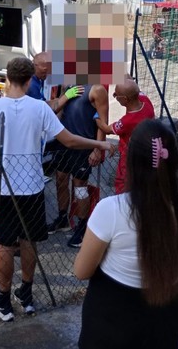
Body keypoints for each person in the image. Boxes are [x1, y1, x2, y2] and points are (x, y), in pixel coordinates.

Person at [0, 57, 115, 322]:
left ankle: (2, 299)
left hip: (4, 187)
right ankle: (25, 293)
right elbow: (69, 141)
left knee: (4, 244)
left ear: (6, 81)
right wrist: (102, 145)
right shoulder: (39, 109)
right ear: (28, 81)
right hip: (33, 186)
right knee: (29, 241)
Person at [73, 119, 178, 349]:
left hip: (113, 317)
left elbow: (81, 271)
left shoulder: (111, 210)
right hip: (164, 312)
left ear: (131, 162)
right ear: (173, 160)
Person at [46, 84, 109, 248]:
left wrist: (97, 148)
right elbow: (58, 110)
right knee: (60, 180)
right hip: (63, 144)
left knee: (79, 187)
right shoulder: (67, 84)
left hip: (83, 146)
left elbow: (103, 121)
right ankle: (62, 219)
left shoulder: (97, 89)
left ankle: (82, 228)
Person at [95, 78, 155, 194]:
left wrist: (97, 116)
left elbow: (106, 129)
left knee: (123, 184)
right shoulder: (146, 102)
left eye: (116, 95)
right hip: (146, 153)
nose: (114, 96)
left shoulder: (127, 121)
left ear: (125, 99)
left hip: (129, 157)